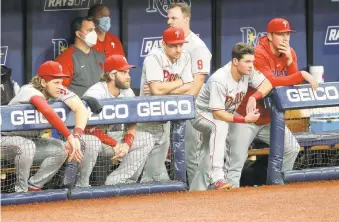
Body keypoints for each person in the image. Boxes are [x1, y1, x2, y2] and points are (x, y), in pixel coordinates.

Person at [225, 18, 319, 188]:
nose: (285, 38)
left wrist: (291, 62)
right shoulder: (258, 54)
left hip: (269, 118)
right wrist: (302, 74)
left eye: (287, 34)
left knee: (291, 149)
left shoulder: (289, 52)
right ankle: (228, 203)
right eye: (280, 34)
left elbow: (292, 87)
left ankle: (277, 189)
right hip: (247, 115)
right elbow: (271, 82)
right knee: (236, 162)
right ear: (269, 36)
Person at [190, 42, 273, 190]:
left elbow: (268, 83)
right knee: (219, 125)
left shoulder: (248, 72)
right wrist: (244, 119)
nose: (251, 66)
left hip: (222, 114)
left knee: (208, 155)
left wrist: (254, 96)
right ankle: (218, 178)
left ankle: (196, 192)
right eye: (247, 61)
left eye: (252, 61)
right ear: (235, 61)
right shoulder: (220, 79)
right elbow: (217, 113)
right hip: (202, 114)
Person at [0, 61, 87, 192]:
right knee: (27, 146)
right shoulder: (28, 90)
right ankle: (20, 191)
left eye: (61, 82)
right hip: (5, 141)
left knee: (62, 149)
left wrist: (76, 136)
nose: (60, 86)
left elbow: (81, 109)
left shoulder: (56, 90)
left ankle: (33, 186)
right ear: (43, 82)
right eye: (56, 82)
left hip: (31, 141)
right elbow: (46, 110)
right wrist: (68, 136)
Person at [76, 55, 154, 187]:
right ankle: (81, 185)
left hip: (112, 139)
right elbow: (87, 128)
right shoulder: (96, 93)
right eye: (123, 72)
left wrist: (127, 144)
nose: (128, 76)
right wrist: (114, 144)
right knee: (92, 142)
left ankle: (116, 183)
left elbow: (132, 122)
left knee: (147, 138)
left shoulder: (127, 91)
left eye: (128, 72)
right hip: (91, 139)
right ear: (112, 75)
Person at [139, 27, 194, 182]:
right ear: (163, 44)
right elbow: (156, 90)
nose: (178, 49)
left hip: (166, 116)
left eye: (180, 45)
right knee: (136, 165)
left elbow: (190, 86)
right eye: (173, 45)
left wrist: (165, 88)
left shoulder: (185, 56)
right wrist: (180, 82)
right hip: (147, 117)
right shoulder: (154, 58)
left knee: (155, 169)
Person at [167, 2, 212, 186]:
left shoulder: (197, 47)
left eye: (174, 18)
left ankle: (196, 194)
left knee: (189, 153)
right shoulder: (168, 42)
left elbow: (198, 83)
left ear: (186, 20)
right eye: (168, 18)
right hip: (172, 106)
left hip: (191, 109)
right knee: (174, 154)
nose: (169, 21)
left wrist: (185, 109)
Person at [55, 16, 106, 97]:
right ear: (78, 34)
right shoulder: (65, 59)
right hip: (77, 107)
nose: (94, 34)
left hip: (102, 105)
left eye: (94, 30)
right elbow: (58, 91)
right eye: (90, 30)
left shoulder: (101, 57)